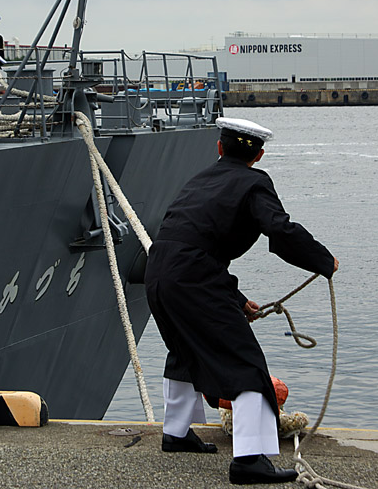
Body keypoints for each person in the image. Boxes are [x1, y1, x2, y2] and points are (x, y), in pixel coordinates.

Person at [145, 117, 339, 485]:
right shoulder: (255, 181)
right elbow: (279, 229)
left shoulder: (199, 179)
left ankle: (176, 433)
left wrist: (234, 298)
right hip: (194, 275)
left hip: (159, 270)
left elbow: (191, 241)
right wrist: (322, 261)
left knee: (185, 349)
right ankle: (249, 460)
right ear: (259, 155)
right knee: (245, 364)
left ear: (220, 148)